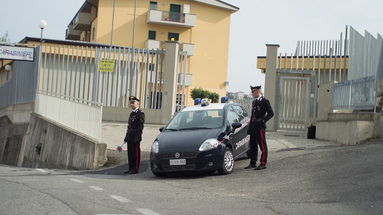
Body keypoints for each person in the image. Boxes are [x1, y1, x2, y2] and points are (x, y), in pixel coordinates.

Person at [245, 86, 274, 170]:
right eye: (252, 91)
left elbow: (271, 113)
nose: (252, 93)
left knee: (262, 145)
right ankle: (253, 162)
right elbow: (252, 116)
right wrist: (250, 128)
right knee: (253, 145)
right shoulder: (254, 102)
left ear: (258, 91)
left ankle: (263, 163)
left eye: (253, 91)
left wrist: (263, 121)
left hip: (260, 127)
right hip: (253, 126)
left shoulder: (265, 101)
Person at [124, 96, 145, 174]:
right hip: (130, 136)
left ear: (137, 103)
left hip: (135, 136)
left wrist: (137, 136)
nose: (131, 104)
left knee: (135, 153)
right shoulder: (131, 113)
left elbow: (140, 126)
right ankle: (130, 168)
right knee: (130, 153)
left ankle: (135, 169)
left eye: (133, 102)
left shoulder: (140, 113)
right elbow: (129, 126)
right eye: (131, 103)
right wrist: (126, 137)